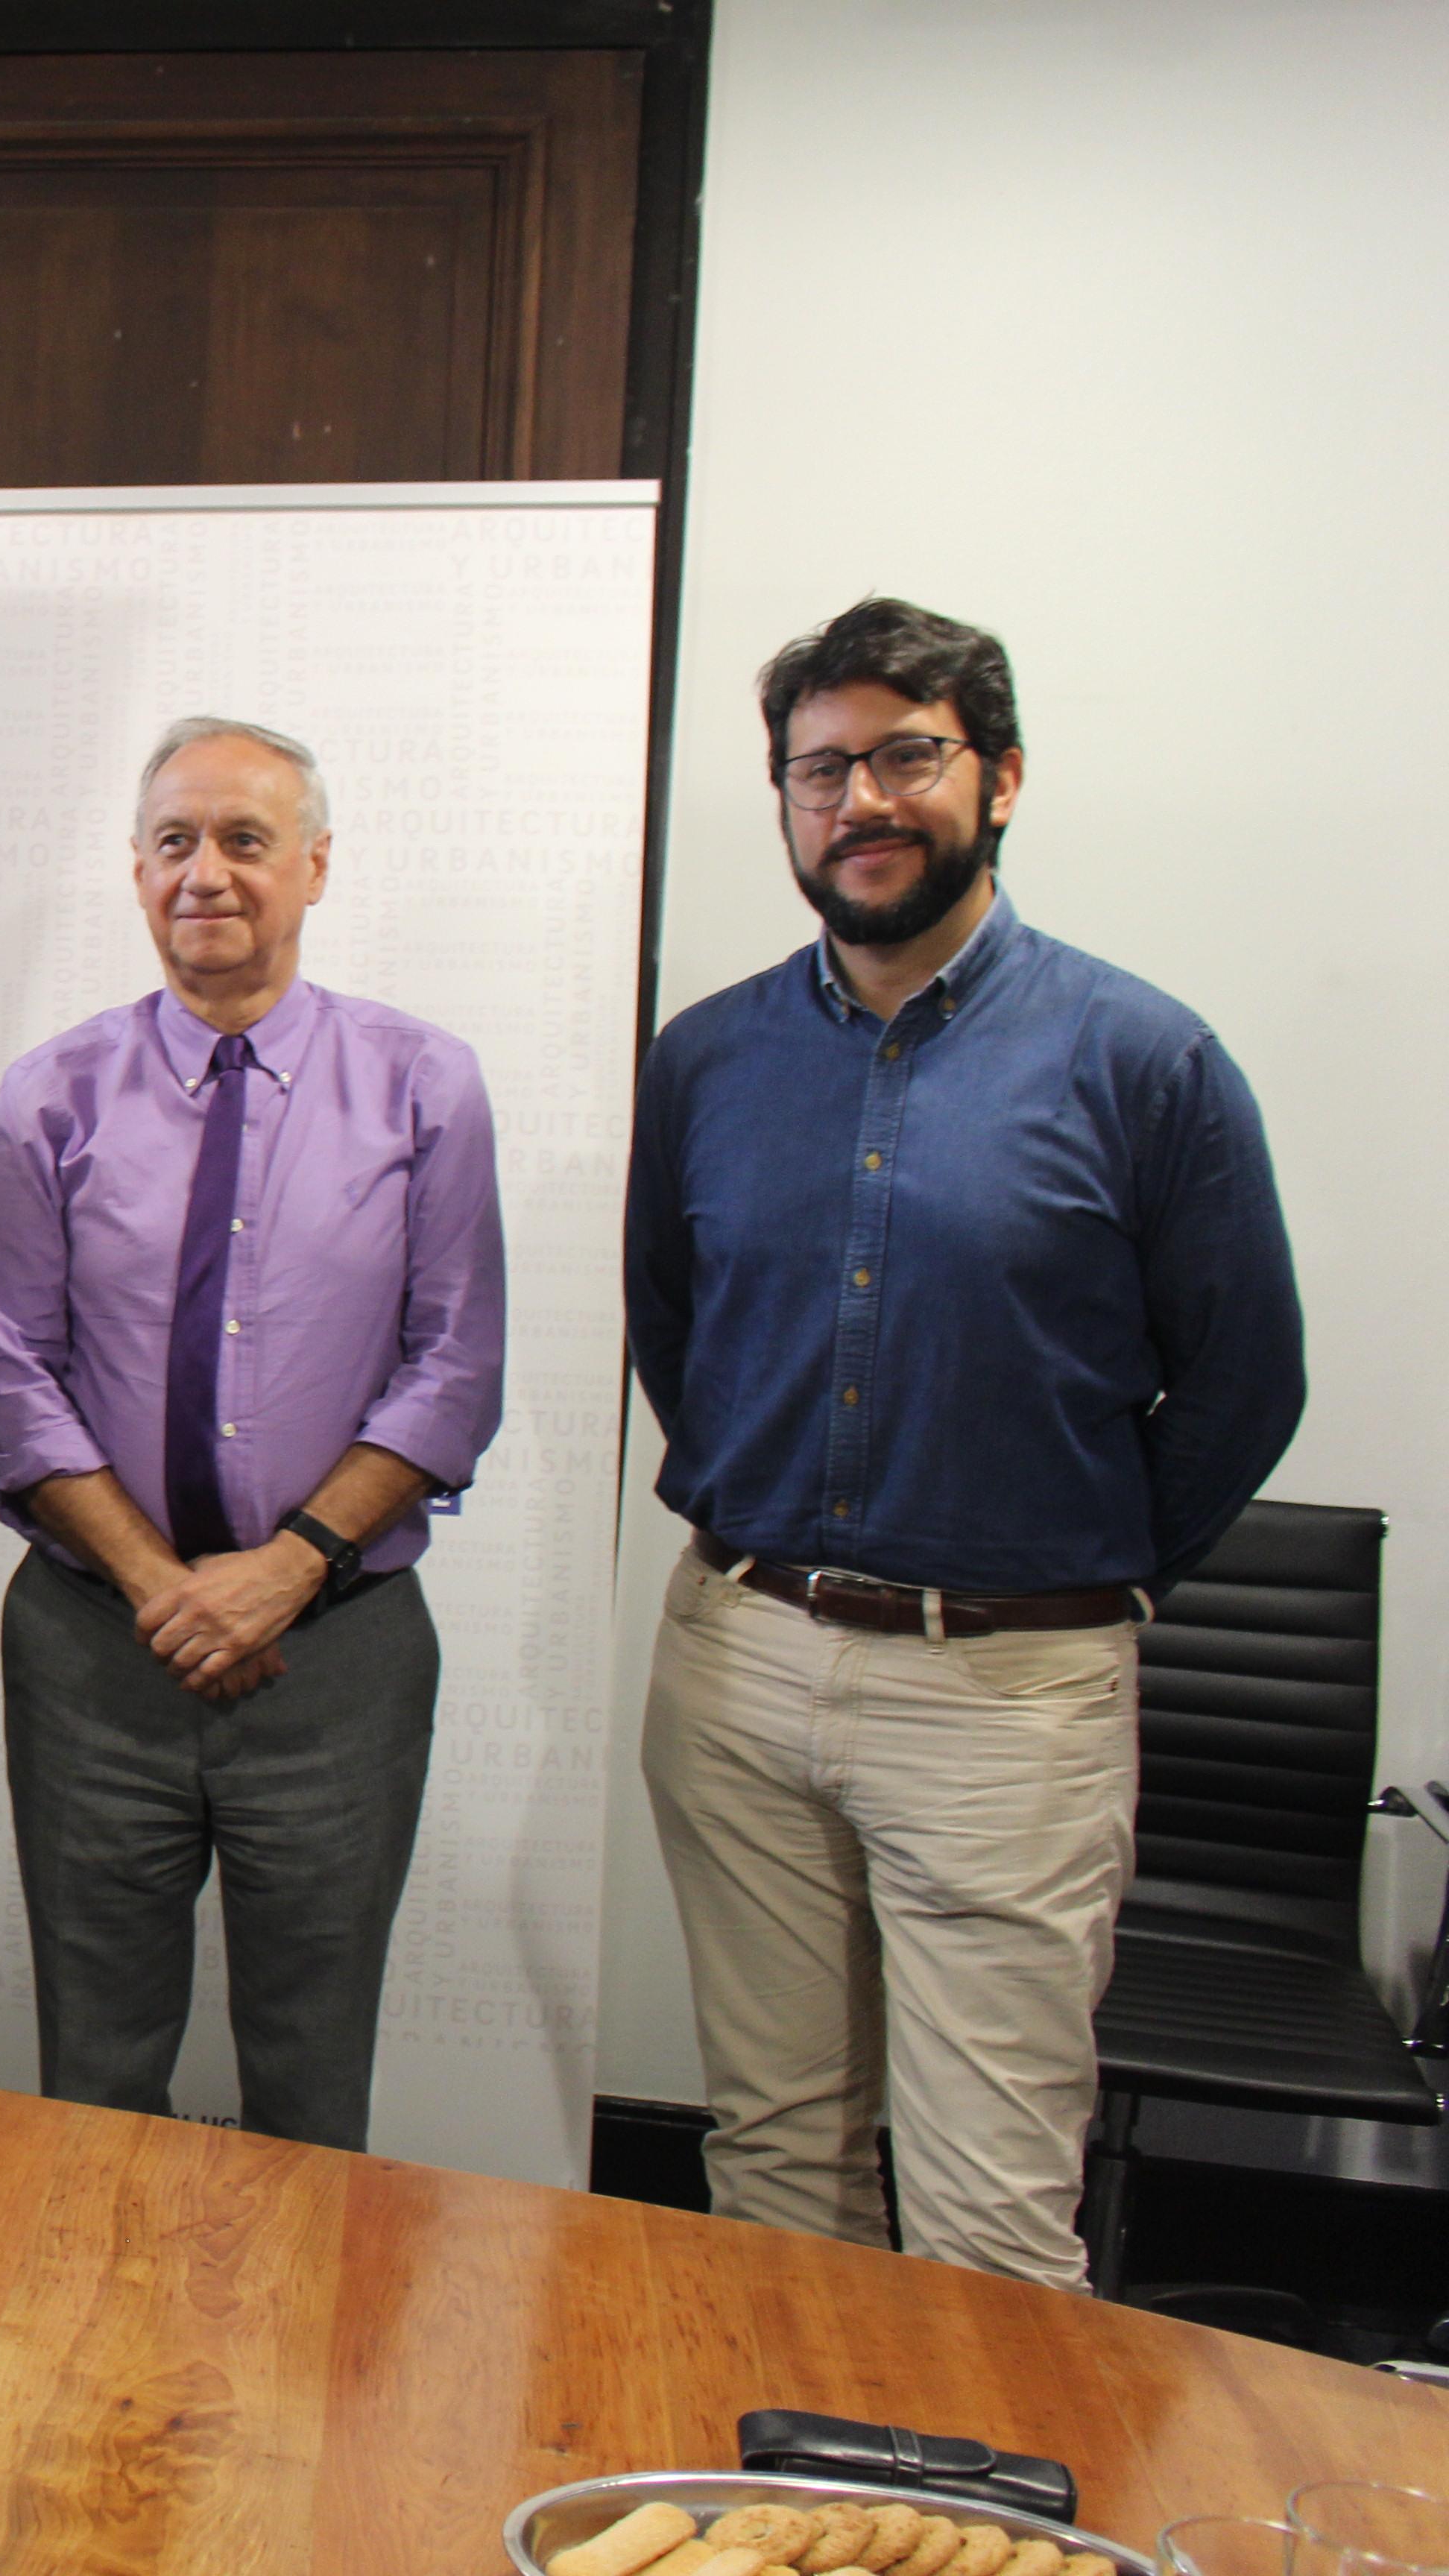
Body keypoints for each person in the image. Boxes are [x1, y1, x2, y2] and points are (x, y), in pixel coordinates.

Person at [627, 596, 1303, 2288]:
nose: (862, 800)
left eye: (906, 756)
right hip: (742, 1665)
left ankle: (980, 2554)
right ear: (784, 803)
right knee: (776, 2157)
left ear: (998, 779)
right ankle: (802, 2533)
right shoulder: (709, 1059)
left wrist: (1072, 1567)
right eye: (820, 768)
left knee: (994, 2208)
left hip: (1006, 1694)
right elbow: (678, 1329)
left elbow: (1245, 1382)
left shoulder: (1143, 1060)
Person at [0, 716, 505, 2149]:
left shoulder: (422, 1086)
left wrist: (291, 1566)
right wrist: (161, 1585)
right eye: (177, 843)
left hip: (335, 1659)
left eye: (246, 841)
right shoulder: (48, 1097)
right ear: (136, 872)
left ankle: (300, 2374)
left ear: (315, 868)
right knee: (94, 2072)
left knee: (313, 2083)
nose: (209, 873)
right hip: (96, 1655)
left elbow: (455, 1365)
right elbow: (7, 1377)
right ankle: (93, 2360)